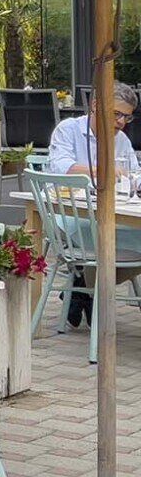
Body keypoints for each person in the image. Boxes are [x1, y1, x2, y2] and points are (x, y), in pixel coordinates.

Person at [47, 81, 141, 326]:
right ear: (97, 106)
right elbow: (61, 168)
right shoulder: (68, 129)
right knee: (105, 240)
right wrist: (103, 170)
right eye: (117, 114)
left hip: (112, 216)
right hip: (70, 216)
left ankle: (83, 285)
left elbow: (133, 175)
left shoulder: (121, 141)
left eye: (127, 117)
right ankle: (86, 282)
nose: (121, 122)